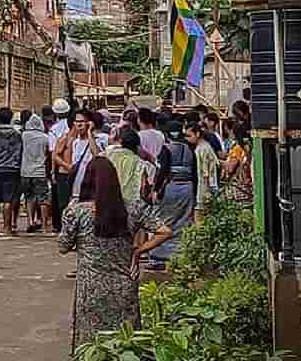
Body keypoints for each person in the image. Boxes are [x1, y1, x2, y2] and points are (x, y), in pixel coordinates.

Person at [58, 157, 172, 352]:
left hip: (90, 287)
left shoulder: (75, 212)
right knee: (126, 342)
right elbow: (164, 231)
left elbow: (63, 246)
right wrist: (139, 250)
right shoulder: (133, 208)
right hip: (124, 284)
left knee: (91, 344)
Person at [146, 125, 197, 270]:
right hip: (187, 188)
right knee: (183, 221)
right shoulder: (189, 149)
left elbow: (163, 170)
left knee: (165, 222)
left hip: (170, 188)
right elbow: (195, 173)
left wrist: (156, 190)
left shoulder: (166, 149)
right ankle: (180, 255)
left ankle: (159, 257)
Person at [0, 107, 23, 235]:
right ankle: (7, 227)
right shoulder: (16, 134)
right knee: (8, 200)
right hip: (12, 170)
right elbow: (19, 152)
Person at [20, 114, 51, 234]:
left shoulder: (24, 136)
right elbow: (47, 153)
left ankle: (30, 221)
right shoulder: (45, 137)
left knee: (29, 198)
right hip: (40, 171)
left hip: (25, 171)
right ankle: (44, 225)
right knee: (43, 198)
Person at [107, 126, 149, 206]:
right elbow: (143, 189)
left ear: (120, 140)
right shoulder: (139, 163)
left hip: (107, 203)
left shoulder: (106, 156)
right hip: (129, 206)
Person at [186, 121, 221, 219]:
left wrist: (202, 196)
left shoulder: (202, 149)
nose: (187, 138)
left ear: (197, 134)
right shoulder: (205, 146)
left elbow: (205, 174)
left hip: (204, 190)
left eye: (189, 135)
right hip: (209, 189)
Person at [47, 101, 71, 233]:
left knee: (59, 197)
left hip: (60, 166)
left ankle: (60, 225)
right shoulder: (73, 127)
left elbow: (52, 151)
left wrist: (52, 169)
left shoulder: (54, 129)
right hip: (72, 165)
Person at [221, 107, 254, 203]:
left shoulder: (237, 148)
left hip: (240, 188)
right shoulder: (247, 149)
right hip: (246, 188)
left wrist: (218, 162)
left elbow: (231, 168)